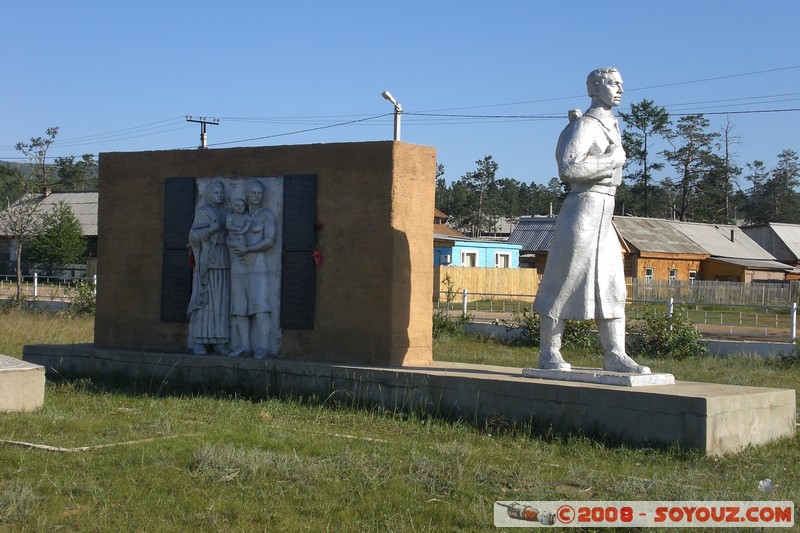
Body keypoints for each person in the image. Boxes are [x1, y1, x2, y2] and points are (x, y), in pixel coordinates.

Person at [532, 67, 650, 374]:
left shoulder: (611, 125)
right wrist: (612, 159)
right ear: (595, 88)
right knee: (563, 278)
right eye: (613, 83)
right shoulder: (584, 125)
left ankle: (615, 354)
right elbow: (569, 170)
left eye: (621, 83)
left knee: (613, 284)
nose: (620, 89)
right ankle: (549, 352)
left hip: (605, 211)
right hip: (582, 208)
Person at [228, 180, 277, 358]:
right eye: (253, 193)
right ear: (247, 194)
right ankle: (244, 345)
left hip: (258, 265)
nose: (257, 196)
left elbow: (270, 239)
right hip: (238, 265)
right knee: (239, 306)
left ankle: (263, 346)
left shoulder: (266, 214)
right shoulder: (236, 214)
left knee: (260, 306)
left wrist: (249, 248)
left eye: (259, 193)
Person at [187, 179, 230, 355]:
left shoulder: (224, 212)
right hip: (208, 261)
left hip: (223, 260)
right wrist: (210, 231)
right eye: (215, 193)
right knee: (206, 302)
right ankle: (199, 340)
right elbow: (193, 236)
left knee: (221, 302)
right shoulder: (203, 211)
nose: (219, 196)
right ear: (208, 194)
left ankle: (220, 341)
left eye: (221, 193)